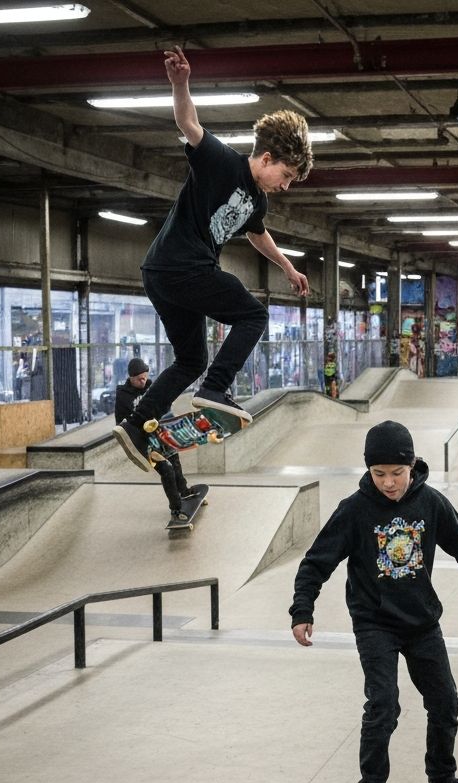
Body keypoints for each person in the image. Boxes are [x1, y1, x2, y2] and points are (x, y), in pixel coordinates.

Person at [289, 420, 458, 783]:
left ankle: (444, 781)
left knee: (445, 702)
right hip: (374, 624)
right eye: (379, 474)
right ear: (368, 471)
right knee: (383, 706)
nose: (389, 483)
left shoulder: (430, 504)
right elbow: (316, 562)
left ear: (412, 466)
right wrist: (303, 609)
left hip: (422, 622)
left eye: (397, 472)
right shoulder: (354, 510)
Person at [113, 44, 313, 472]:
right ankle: (216, 389)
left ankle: (136, 423)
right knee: (254, 316)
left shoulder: (257, 201)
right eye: (287, 175)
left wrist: (289, 267)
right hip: (183, 266)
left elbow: (258, 235)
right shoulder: (221, 162)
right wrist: (181, 83)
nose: (287, 185)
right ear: (266, 158)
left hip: (163, 275)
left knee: (190, 359)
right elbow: (188, 123)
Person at [114, 358, 196, 520]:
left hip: (160, 434)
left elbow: (166, 407)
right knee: (166, 471)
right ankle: (176, 508)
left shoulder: (153, 387)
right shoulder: (123, 395)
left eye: (145, 377)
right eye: (139, 379)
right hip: (143, 442)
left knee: (175, 461)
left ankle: (184, 491)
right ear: (130, 377)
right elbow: (120, 424)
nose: (143, 381)